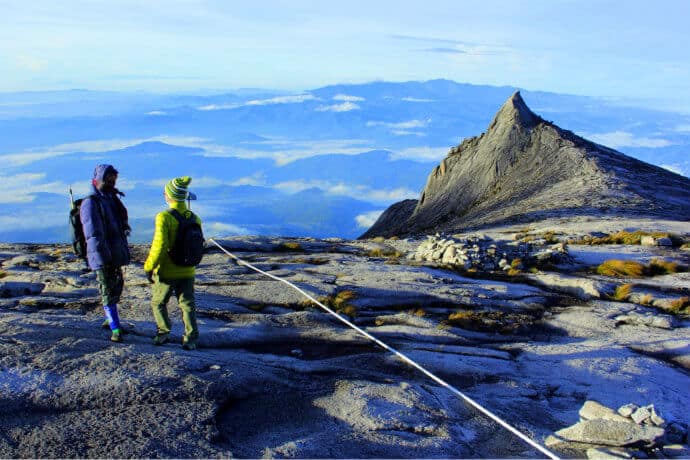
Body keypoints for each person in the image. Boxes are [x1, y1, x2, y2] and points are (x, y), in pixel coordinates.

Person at [144, 176, 202, 350]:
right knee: (188, 305)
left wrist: (149, 266)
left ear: (170, 196)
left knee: (158, 302)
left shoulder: (164, 217)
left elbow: (159, 246)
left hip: (168, 272)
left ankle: (163, 332)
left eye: (165, 192)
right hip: (188, 270)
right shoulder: (195, 218)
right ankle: (191, 339)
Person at [80, 164, 131, 343]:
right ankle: (115, 329)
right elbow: (93, 233)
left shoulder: (111, 199)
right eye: (108, 178)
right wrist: (102, 257)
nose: (111, 182)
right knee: (107, 290)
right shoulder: (91, 203)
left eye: (113, 178)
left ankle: (111, 320)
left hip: (114, 254)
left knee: (116, 286)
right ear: (99, 179)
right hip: (103, 256)